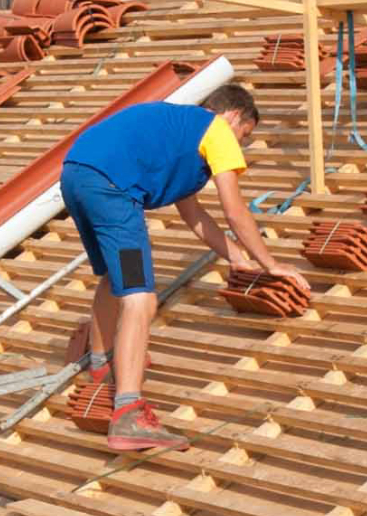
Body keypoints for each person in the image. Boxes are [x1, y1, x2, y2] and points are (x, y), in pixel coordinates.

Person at [58, 82, 307, 455]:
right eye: (245, 135)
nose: (241, 145)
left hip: (78, 177)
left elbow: (194, 215)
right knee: (140, 297)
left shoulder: (177, 135)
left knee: (116, 277)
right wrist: (270, 264)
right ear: (233, 115)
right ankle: (128, 413)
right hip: (113, 189)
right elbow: (234, 209)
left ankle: (101, 365)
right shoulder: (217, 129)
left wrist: (237, 257)